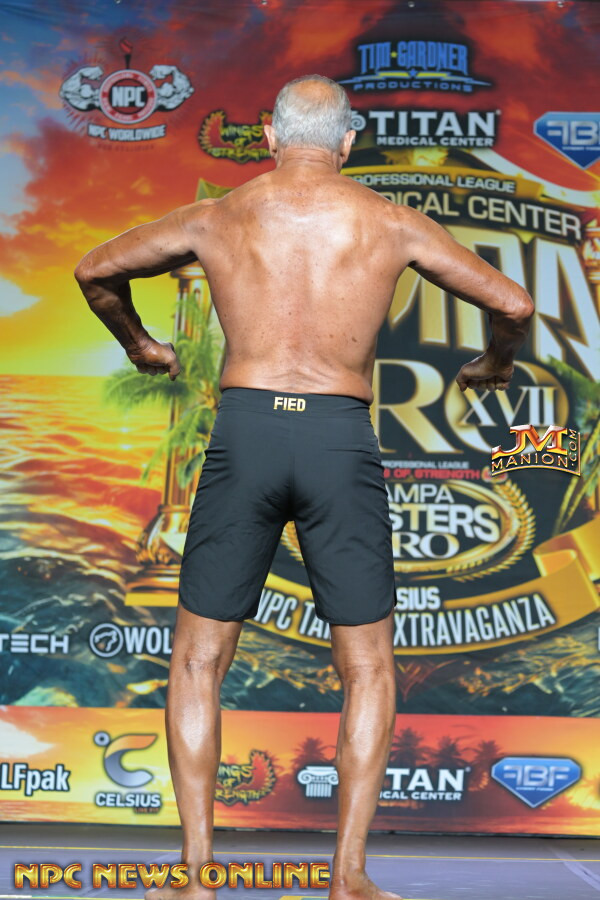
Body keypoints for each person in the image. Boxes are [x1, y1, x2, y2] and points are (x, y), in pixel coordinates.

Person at [75, 74, 534, 900]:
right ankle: (348, 877)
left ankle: (196, 875)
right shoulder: (390, 221)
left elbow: (95, 270)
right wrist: (492, 362)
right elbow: (514, 301)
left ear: (268, 136)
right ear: (348, 141)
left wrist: (140, 344)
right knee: (369, 666)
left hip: (247, 434)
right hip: (336, 440)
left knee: (198, 659)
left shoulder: (217, 216)